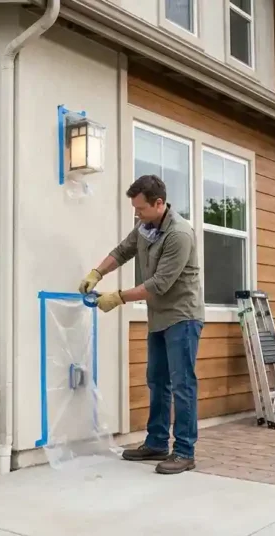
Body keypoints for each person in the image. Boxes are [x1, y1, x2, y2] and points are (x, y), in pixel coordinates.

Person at [79, 174, 204, 474]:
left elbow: (159, 284)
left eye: (141, 208)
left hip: (182, 317)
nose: (137, 214)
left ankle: (185, 451)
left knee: (182, 384)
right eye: (135, 209)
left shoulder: (179, 234)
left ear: (159, 204)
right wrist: (97, 272)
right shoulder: (146, 227)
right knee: (157, 380)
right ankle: (157, 442)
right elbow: (123, 251)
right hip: (158, 317)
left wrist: (118, 297)